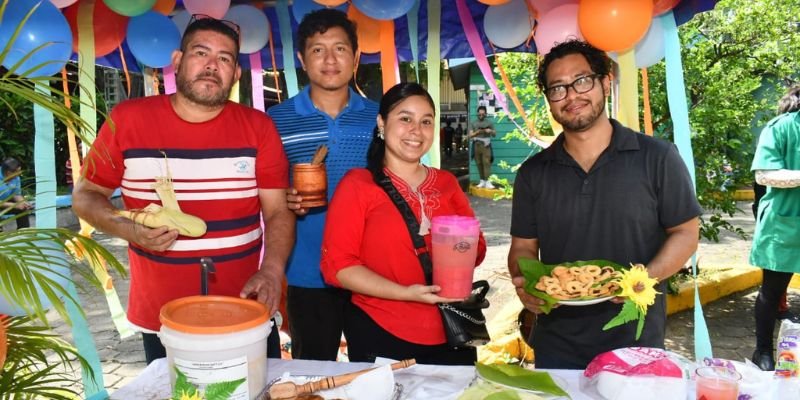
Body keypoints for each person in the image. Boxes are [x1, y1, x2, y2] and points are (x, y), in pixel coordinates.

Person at [72, 16, 294, 364]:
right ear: (177, 61)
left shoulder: (258, 128)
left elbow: (278, 211)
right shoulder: (128, 120)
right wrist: (128, 229)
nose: (211, 66)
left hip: (243, 305)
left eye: (224, 59)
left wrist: (271, 270)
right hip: (163, 315)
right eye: (201, 52)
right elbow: (85, 196)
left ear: (236, 74)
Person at [507, 40, 701, 369]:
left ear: (605, 83)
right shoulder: (533, 173)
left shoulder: (658, 157)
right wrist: (528, 285)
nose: (571, 96)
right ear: (549, 99)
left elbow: (685, 232)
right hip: (557, 345)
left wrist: (644, 278)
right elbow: (523, 248)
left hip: (636, 342)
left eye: (582, 81)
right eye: (557, 88)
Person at [320, 82, 487, 365]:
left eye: (426, 122)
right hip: (381, 329)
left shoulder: (446, 183)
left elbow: (478, 250)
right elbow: (337, 268)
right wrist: (405, 293)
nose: (416, 131)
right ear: (382, 123)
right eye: (405, 118)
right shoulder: (358, 185)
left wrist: (457, 243)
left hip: (451, 331)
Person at [267, 8, 378, 361]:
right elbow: (266, 192)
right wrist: (285, 198)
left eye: (340, 49)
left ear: (357, 56)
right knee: (311, 374)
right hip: (306, 271)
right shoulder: (276, 119)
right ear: (301, 58)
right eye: (318, 50)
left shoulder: (381, 117)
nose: (330, 60)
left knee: (374, 370)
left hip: (372, 270)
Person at [750, 84, 800, 371]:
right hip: (784, 223)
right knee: (772, 291)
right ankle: (763, 352)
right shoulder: (780, 127)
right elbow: (765, 173)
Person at [1, 157, 32, 230]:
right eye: (18, 171)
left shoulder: (16, 178)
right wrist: (14, 205)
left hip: (5, 203)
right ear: (9, 173)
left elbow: (16, 194)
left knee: (23, 208)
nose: (20, 173)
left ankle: (23, 232)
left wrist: (23, 202)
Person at [469, 105, 496, 189]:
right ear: (477, 114)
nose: (481, 116)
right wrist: (477, 132)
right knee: (479, 163)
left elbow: (494, 134)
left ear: (485, 114)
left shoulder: (489, 123)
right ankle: (482, 181)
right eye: (479, 114)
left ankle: (488, 181)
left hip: (486, 145)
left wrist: (490, 131)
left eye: (483, 114)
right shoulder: (473, 123)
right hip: (477, 144)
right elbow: (470, 135)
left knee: (486, 163)